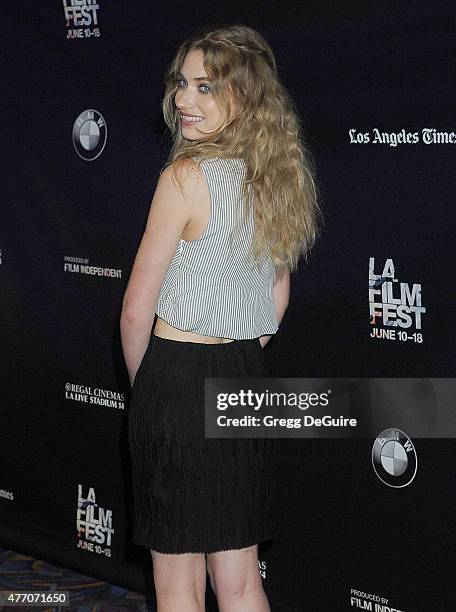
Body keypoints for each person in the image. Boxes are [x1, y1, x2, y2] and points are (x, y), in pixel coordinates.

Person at [120, 23, 321, 612]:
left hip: (178, 379)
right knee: (241, 584)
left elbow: (136, 310)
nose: (183, 99)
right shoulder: (277, 180)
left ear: (243, 96)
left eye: (205, 87)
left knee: (177, 586)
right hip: (244, 380)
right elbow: (274, 309)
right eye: (182, 85)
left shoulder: (184, 177)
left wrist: (149, 386)